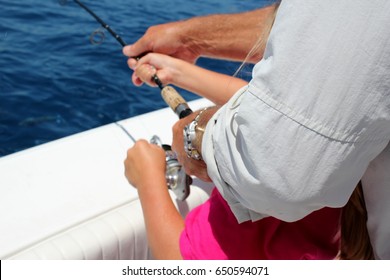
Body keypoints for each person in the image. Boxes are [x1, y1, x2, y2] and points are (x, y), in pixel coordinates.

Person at [123, 0, 390, 259]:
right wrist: (176, 73)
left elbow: (180, 262)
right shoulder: (344, 162)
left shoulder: (259, 203)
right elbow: (267, 105)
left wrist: (148, 177)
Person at [124, 50, 341, 260]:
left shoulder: (269, 185)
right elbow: (274, 106)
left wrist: (147, 176)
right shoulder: (341, 141)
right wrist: (176, 72)